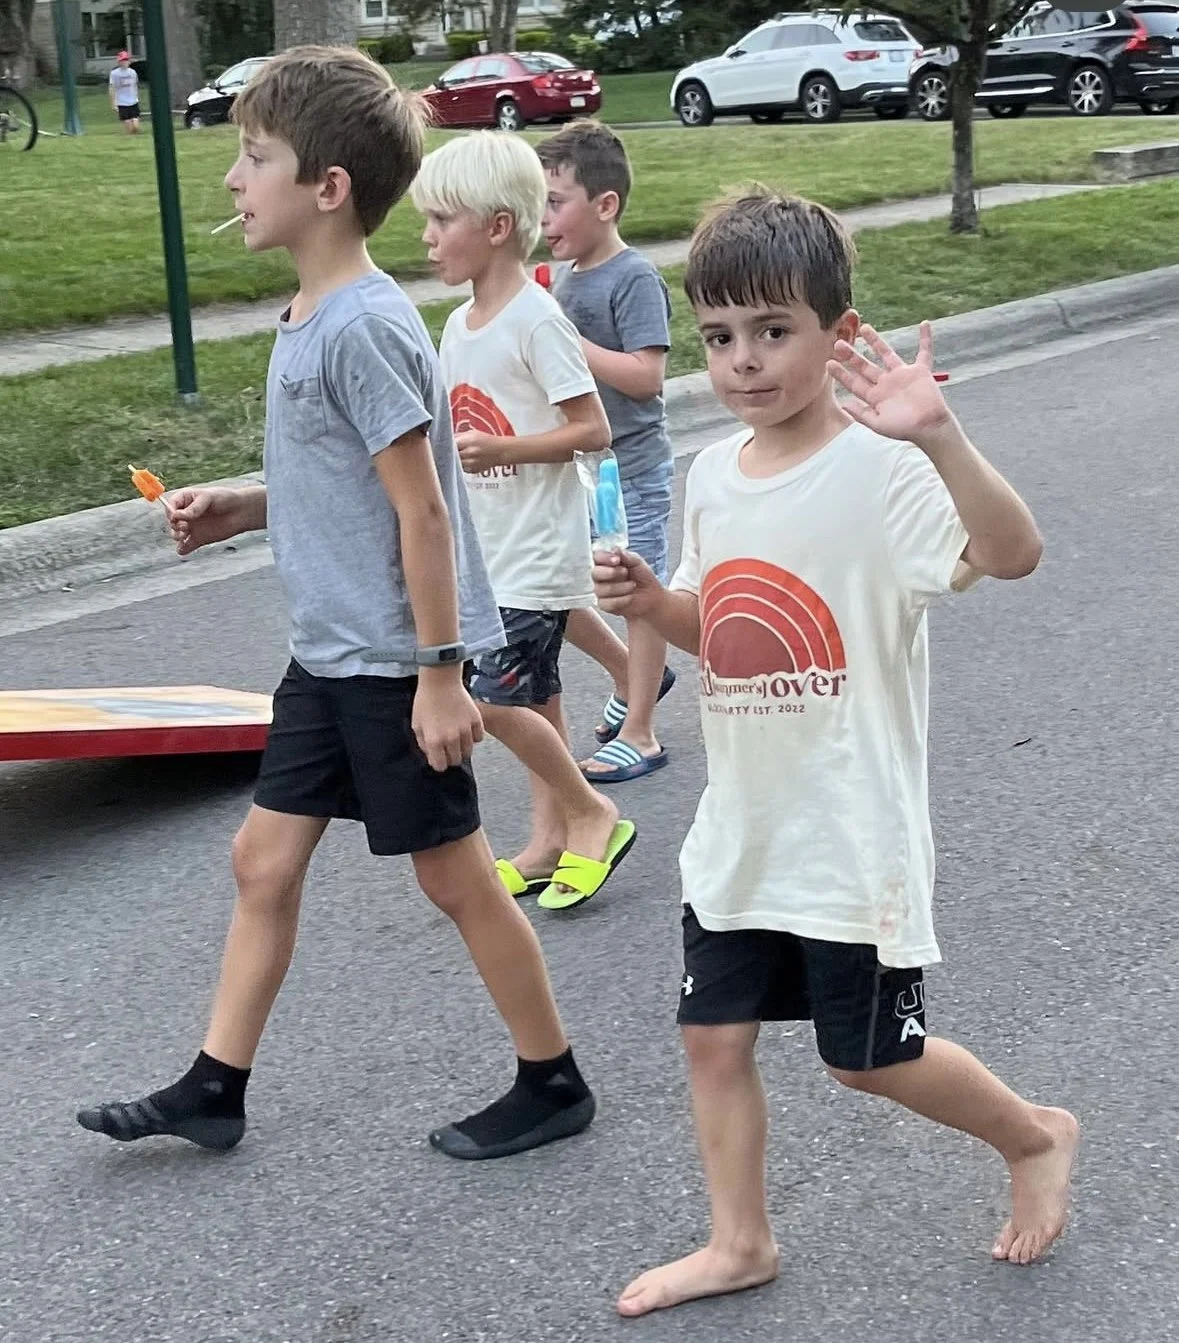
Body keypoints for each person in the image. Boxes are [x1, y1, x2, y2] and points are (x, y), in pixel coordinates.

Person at [76, 47, 596, 1163]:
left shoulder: (360, 325)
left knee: (454, 876)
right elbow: (343, 485)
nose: (233, 181)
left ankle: (552, 1080)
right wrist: (244, 504)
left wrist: (443, 671)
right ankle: (216, 1086)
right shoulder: (315, 312)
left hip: (391, 662)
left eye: (254, 157)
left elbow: (423, 514)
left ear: (327, 187)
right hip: (331, 657)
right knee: (262, 861)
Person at [593, 189, 1079, 1317]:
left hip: (849, 830)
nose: (744, 361)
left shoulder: (885, 466)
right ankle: (739, 1239)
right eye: (719, 337)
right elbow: (728, 636)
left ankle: (1035, 1131)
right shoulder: (714, 478)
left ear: (837, 332)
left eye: (774, 331)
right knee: (712, 1035)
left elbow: (1015, 552)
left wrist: (941, 435)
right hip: (745, 827)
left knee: (868, 1059)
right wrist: (655, 600)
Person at [411, 131, 636, 911]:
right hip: (489, 550)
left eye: (442, 220)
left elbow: (593, 427)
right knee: (534, 698)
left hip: (537, 554)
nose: (427, 237)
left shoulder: (535, 320)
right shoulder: (457, 326)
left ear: (497, 226)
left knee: (495, 700)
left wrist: (505, 444)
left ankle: (591, 811)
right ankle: (547, 841)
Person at [536, 120, 676, 785]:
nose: (544, 216)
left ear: (604, 205)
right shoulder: (564, 278)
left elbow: (645, 377)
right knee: (559, 586)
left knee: (638, 595)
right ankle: (632, 674)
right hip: (579, 468)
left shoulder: (631, 278)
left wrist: (564, 336)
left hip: (632, 469)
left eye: (556, 200)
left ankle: (641, 732)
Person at [109, 51, 141, 135]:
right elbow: (112, 88)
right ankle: (131, 137)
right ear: (119, 61)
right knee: (128, 125)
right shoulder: (114, 73)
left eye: (126, 60)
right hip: (122, 102)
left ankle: (134, 134)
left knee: (135, 125)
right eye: (122, 60)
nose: (124, 62)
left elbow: (135, 85)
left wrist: (137, 96)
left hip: (133, 101)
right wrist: (113, 102)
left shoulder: (132, 72)